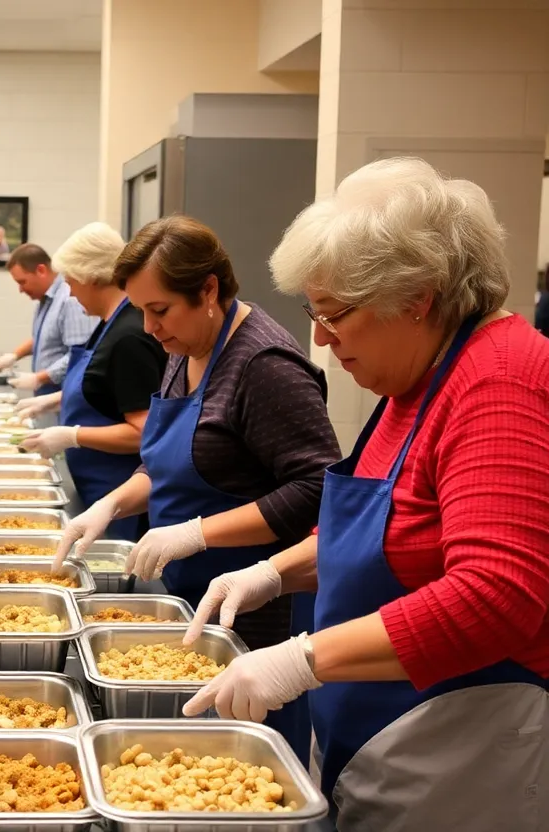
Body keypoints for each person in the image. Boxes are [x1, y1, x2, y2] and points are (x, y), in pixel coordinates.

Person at [180, 158, 549, 829]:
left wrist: (304, 658)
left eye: (335, 313)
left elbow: (500, 594)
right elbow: (382, 536)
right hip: (376, 733)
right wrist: (272, 572)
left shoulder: (499, 381)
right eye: (311, 310)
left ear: (419, 298)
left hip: (459, 747)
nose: (319, 337)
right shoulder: (409, 379)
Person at [56, 214, 339, 763]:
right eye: (139, 309)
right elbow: (168, 461)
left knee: (235, 773)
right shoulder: (183, 348)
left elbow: (316, 486)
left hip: (250, 611)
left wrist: (198, 532)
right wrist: (113, 503)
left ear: (208, 290)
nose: (147, 326)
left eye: (158, 309)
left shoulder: (265, 365)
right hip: (187, 598)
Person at [18, 223, 166, 540]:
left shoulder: (128, 336)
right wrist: (51, 400)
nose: (69, 292)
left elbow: (143, 433)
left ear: (90, 278)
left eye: (70, 283)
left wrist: (73, 436)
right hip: (93, 484)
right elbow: (106, 388)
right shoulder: (108, 325)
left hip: (118, 494)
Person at [0, 243, 98, 397]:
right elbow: (45, 338)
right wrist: (14, 356)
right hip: (46, 390)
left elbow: (79, 356)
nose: (21, 290)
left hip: (61, 394)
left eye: (22, 282)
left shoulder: (69, 299)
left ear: (41, 270)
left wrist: (38, 378)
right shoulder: (46, 300)